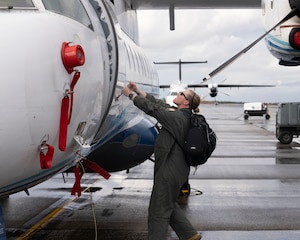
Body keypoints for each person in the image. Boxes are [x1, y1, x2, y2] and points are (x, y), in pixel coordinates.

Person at [121, 82, 201, 240]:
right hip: (175, 168)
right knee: (167, 203)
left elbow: (153, 109)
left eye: (182, 94)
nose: (178, 94)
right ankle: (189, 234)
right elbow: (160, 104)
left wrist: (130, 95)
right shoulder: (179, 114)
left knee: (158, 210)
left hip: (170, 170)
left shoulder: (176, 118)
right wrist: (138, 91)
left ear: (186, 102)